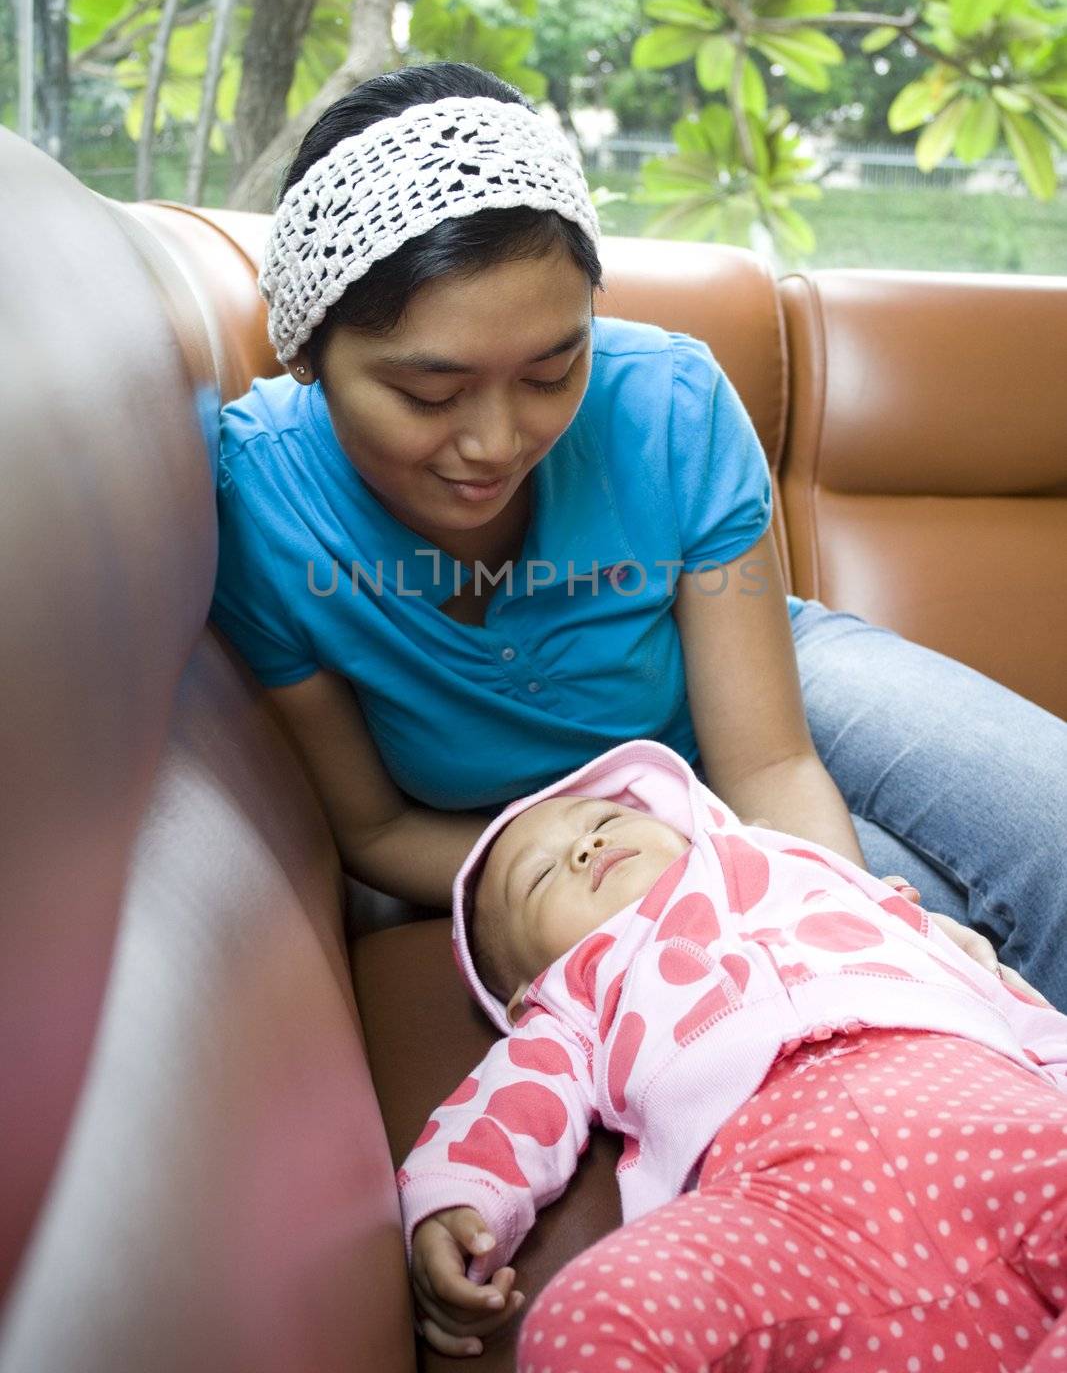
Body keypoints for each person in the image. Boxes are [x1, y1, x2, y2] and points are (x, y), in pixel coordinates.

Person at [208, 60, 1067, 1004]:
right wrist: (682, 872)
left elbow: (767, 759)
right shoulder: (261, 510)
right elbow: (373, 834)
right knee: (939, 921)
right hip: (540, 838)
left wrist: (835, 918)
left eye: (552, 371)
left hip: (760, 687)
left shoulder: (670, 401)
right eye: (429, 393)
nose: (497, 444)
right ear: (305, 352)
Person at [399, 737, 1067, 1370]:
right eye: (540, 876)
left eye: (602, 817)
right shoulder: (570, 1005)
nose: (586, 846)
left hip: (985, 1114)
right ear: (525, 995)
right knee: (584, 1320)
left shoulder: (819, 881)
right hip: (783, 1198)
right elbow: (508, 1103)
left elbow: (1010, 1005)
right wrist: (460, 1201)